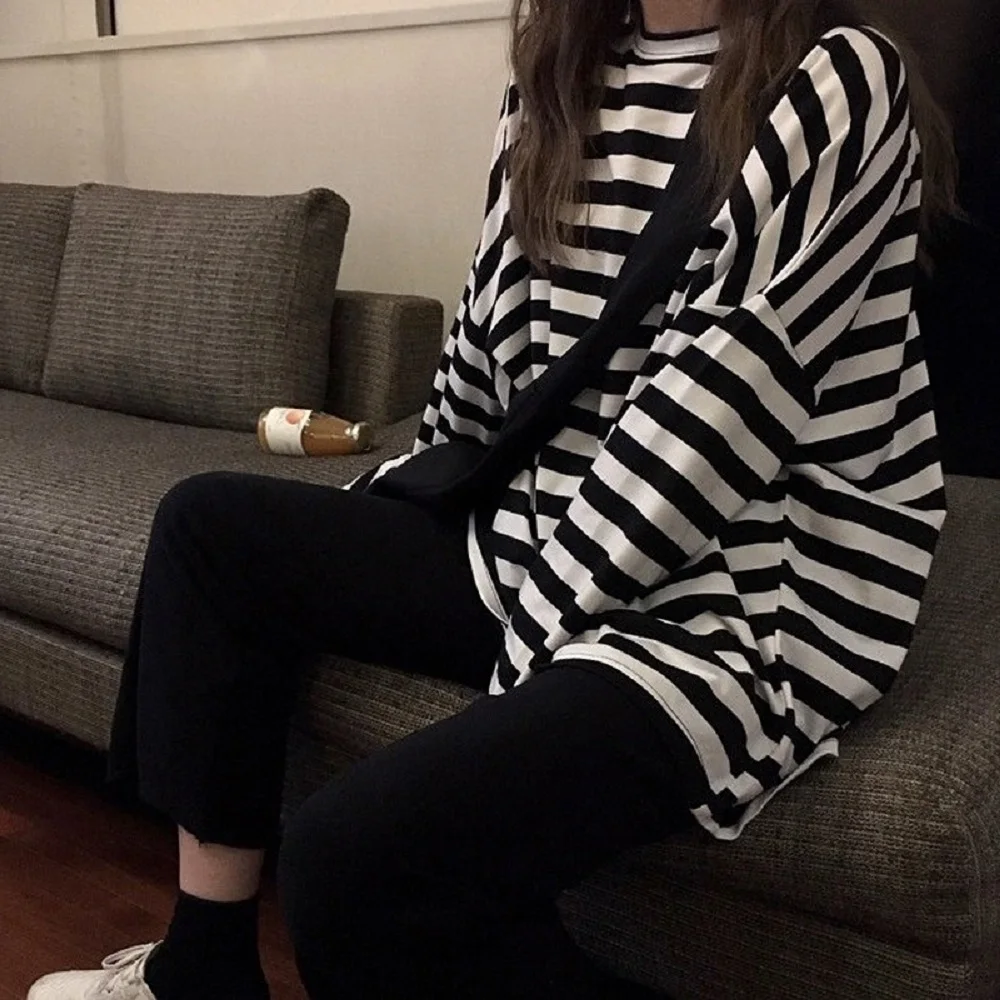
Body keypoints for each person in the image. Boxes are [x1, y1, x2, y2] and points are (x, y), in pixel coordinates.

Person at [28, 0, 959, 997]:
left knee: (353, 862)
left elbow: (713, 423)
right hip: (543, 533)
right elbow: (487, 366)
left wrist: (526, 662)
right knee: (209, 528)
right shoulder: (560, 76)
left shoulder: (837, 82)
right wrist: (395, 507)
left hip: (734, 596)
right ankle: (201, 973)